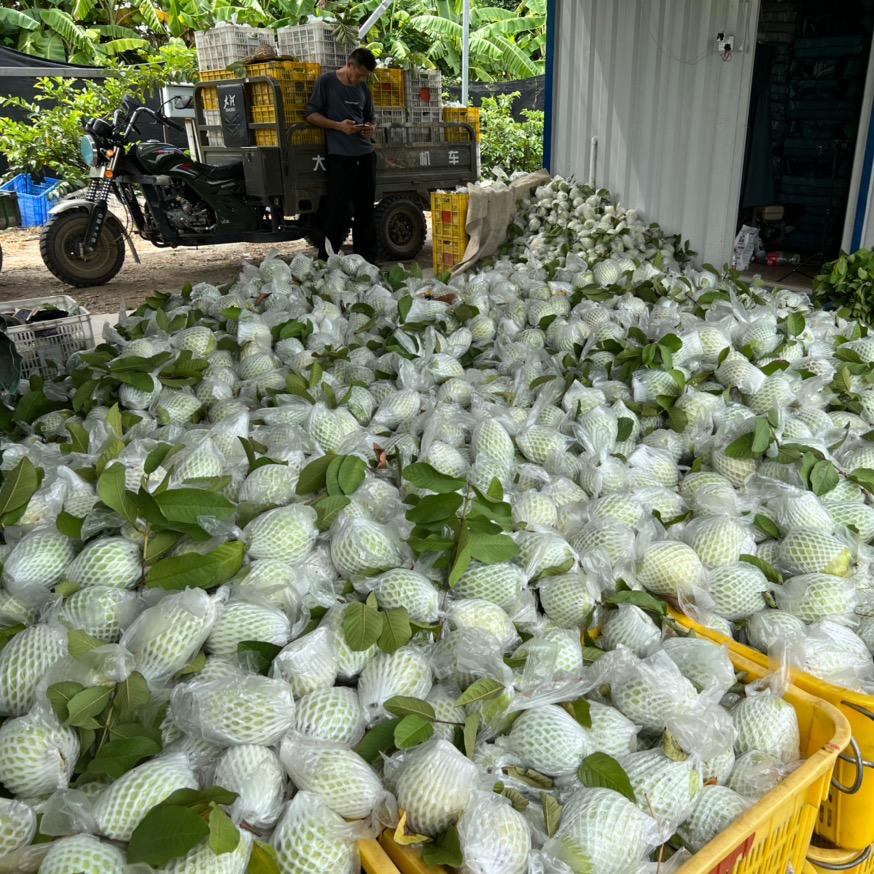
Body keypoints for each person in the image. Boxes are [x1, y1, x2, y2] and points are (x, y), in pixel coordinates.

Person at [304, 47, 379, 264]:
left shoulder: (363, 87)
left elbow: (371, 118)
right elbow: (311, 114)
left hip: (365, 154)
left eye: (364, 77)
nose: (360, 80)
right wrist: (338, 126)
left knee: (366, 210)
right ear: (350, 65)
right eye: (359, 74)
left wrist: (370, 128)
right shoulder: (327, 82)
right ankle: (327, 260)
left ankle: (367, 261)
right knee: (338, 210)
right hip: (340, 156)